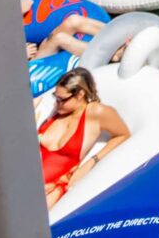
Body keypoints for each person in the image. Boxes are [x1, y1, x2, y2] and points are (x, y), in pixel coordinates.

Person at [38, 68, 130, 204]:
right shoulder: (57, 112)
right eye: (55, 97)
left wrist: (92, 161)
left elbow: (123, 134)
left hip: (53, 188)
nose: (56, 103)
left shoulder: (96, 113)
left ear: (80, 95)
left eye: (61, 99)